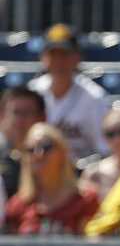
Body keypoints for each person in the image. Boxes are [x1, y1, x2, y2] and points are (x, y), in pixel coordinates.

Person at [28, 23, 110, 161]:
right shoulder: (33, 92)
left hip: (79, 171)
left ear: (77, 58)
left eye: (65, 54)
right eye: (53, 54)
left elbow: (104, 149)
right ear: (43, 58)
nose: (59, 61)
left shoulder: (94, 97)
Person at [5, 123, 99, 235]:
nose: (38, 154)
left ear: (63, 153)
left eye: (46, 147)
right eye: (30, 150)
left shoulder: (86, 201)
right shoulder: (17, 206)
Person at [0, 87, 46, 198]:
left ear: (42, 118)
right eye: (15, 112)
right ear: (1, 116)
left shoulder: (50, 156)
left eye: (27, 113)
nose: (20, 120)